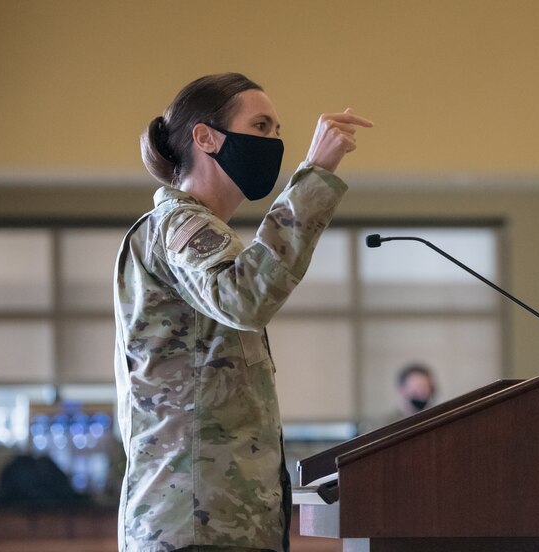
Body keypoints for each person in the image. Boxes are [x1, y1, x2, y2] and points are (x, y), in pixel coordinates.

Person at [113, 72, 372, 552]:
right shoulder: (178, 223)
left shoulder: (206, 232)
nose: (274, 141)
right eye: (261, 126)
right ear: (206, 138)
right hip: (193, 524)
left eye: (278, 131)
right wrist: (313, 174)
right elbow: (245, 299)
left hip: (220, 521)